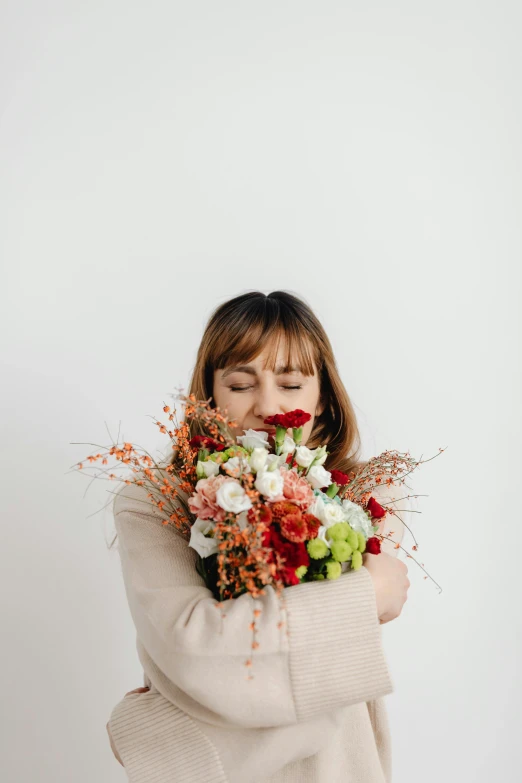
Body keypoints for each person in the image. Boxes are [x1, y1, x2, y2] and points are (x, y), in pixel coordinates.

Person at [106, 290, 411, 782]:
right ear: (210, 397)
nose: (268, 406)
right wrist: (361, 600)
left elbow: (317, 675)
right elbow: (195, 649)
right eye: (241, 384)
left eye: (290, 383)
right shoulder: (155, 501)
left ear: (324, 397)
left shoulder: (368, 496)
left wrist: (161, 734)